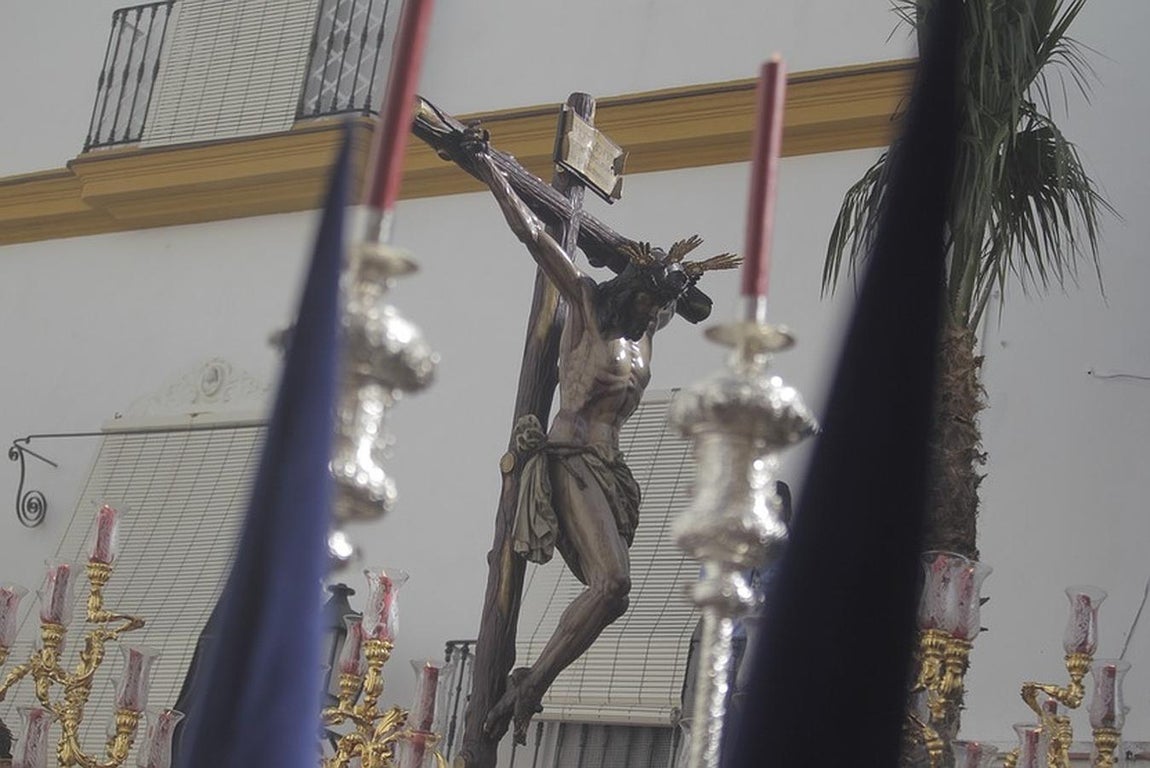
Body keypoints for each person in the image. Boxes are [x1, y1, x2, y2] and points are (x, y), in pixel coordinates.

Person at [466, 137, 739, 742]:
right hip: (570, 458)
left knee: (614, 596)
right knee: (613, 583)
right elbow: (538, 238)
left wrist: (676, 281)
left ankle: (530, 681)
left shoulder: (650, 327)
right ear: (627, 288)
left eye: (658, 307)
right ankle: (529, 686)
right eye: (645, 301)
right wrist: (491, 168)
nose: (650, 314)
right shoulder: (589, 306)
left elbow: (686, 296)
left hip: (612, 474)